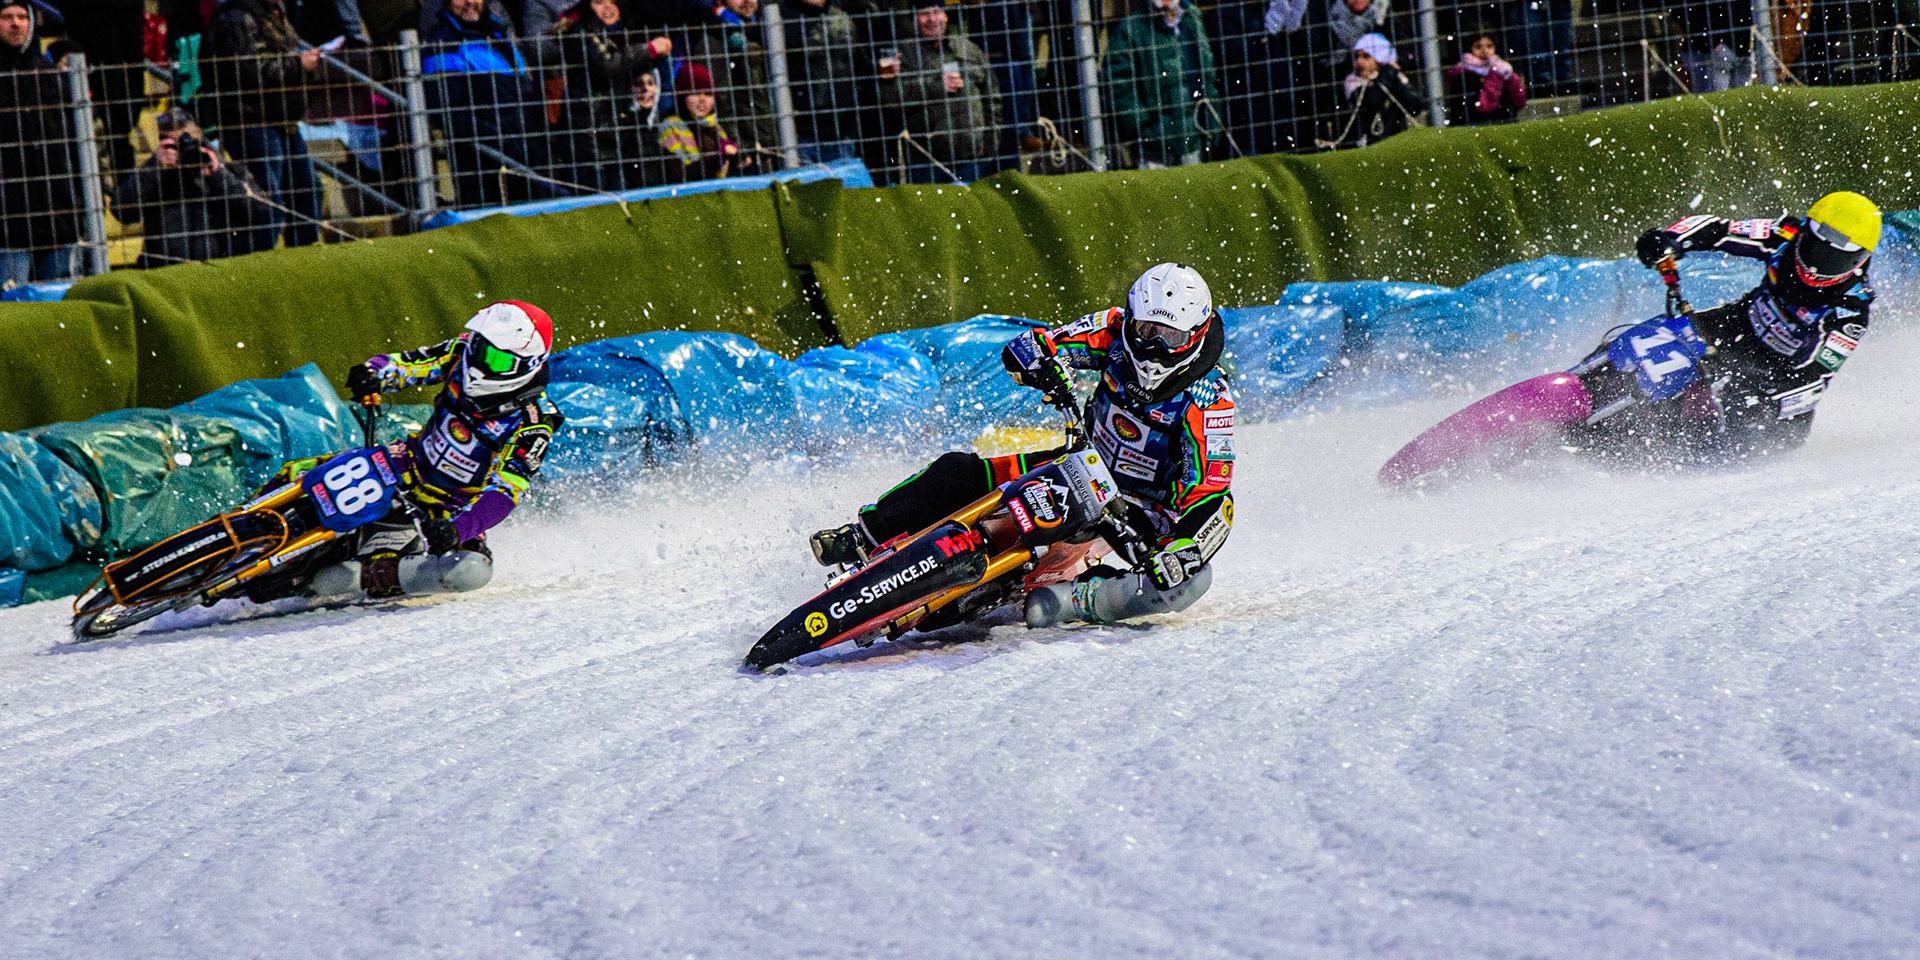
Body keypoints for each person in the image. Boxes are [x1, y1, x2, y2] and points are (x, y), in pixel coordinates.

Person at [810, 263, 1235, 627]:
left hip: (1141, 512)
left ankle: (1081, 599)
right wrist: (1045, 366)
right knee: (957, 471)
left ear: (1195, 336)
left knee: (1190, 577)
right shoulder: (1111, 330)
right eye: (1146, 330)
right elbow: (1031, 345)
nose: (1154, 347)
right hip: (1080, 463)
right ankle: (862, 536)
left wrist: (1182, 545)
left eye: (1170, 337)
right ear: (1130, 319)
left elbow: (1213, 495)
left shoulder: (1210, 400)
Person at [247, 301, 565, 602]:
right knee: (303, 470)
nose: (480, 362)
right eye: (481, 348)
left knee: (470, 570)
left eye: (497, 359)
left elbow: (507, 492)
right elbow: (411, 363)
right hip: (405, 464)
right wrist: (375, 373)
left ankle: (365, 575)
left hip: (449, 508)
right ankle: (243, 518)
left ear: (528, 365)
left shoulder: (533, 423)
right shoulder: (461, 352)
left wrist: (458, 530)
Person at [1591, 192, 1882, 458]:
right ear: (1806, 232)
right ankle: (1591, 379)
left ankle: (1658, 455)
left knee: (1737, 403)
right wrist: (1670, 240)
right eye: (1816, 251)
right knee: (1658, 334)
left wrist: (1757, 386)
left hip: (1777, 379)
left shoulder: (1851, 310)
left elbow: (1814, 379)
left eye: (1836, 260)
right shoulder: (1785, 235)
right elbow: (1719, 231)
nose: (1817, 268)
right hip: (1739, 325)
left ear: (1859, 261)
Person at [202, 0, 326, 254]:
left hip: (282, 119)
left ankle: (306, 261)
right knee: (266, 202)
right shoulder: (236, 18)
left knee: (308, 188)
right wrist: (297, 64)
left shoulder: (273, 11)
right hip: (251, 121)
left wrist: (302, 65)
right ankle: (257, 265)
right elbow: (246, 71)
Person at [422, 0, 555, 206]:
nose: (469, 2)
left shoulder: (500, 36)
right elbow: (447, 112)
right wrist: (500, 140)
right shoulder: (443, 44)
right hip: (482, 167)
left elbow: (528, 97)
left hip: (527, 159)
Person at [111, 108, 278, 269]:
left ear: (198, 134)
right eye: (172, 143)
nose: (182, 148)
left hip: (218, 267)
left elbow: (261, 211)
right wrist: (155, 166)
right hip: (168, 270)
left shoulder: (226, 170)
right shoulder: (155, 176)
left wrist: (217, 176)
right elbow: (121, 210)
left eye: (185, 140)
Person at [549, 0, 672, 191]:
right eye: (598, 2)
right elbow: (607, 64)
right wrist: (649, 49)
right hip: (590, 135)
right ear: (586, 7)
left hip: (610, 132)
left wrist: (658, 54)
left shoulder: (608, 34)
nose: (607, 7)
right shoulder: (581, 32)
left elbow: (625, 69)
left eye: (611, 1)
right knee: (597, 199)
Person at [0, 0, 80, 285]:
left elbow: (72, 141)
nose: (16, 23)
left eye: (22, 17)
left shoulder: (47, 73)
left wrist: (76, 204)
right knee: (12, 308)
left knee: (62, 305)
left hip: (57, 215)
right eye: (7, 17)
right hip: (8, 223)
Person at [881, 0, 1000, 184]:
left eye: (937, 12)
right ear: (914, 19)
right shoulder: (900, 54)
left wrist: (990, 144)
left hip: (973, 160)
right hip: (927, 163)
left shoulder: (969, 49)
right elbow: (890, 97)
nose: (932, 19)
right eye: (924, 13)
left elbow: (992, 98)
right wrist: (936, 87)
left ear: (945, 15)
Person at [1102, 0, 1222, 169]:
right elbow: (1118, 86)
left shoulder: (1191, 18)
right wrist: (1142, 127)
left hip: (1193, 138)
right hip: (1153, 147)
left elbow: (1208, 74)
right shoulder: (1130, 29)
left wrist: (1211, 124)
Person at [779, 0, 862, 164]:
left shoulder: (842, 16)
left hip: (841, 129)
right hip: (801, 132)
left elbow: (858, 63)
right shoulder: (782, 19)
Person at [659, 61, 749, 182]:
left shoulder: (716, 126)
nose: (702, 99)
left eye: (708, 93)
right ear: (682, 97)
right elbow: (676, 175)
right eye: (695, 93)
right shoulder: (670, 127)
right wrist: (717, 159)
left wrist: (740, 156)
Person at [1334, 33, 1423, 148]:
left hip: (1395, 138)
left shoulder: (1394, 77)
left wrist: (1393, 80)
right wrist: (1384, 78)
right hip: (1363, 142)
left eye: (1366, 56)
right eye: (1357, 56)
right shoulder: (1353, 81)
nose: (1359, 62)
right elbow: (1373, 100)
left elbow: (1414, 107)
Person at [1445, 31, 1527, 125]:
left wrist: (1511, 78)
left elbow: (1520, 102)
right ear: (1469, 49)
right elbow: (1484, 106)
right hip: (1474, 123)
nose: (1485, 51)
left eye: (1489, 46)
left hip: (1503, 121)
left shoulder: (1503, 69)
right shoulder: (1464, 74)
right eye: (1478, 47)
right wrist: (1495, 75)